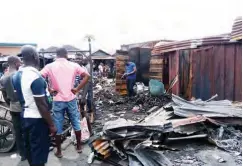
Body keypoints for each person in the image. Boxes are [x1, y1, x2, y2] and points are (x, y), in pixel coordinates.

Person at [41, 47, 90, 158]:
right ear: (66, 55)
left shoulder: (49, 66)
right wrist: (77, 89)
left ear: (56, 55)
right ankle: (79, 147)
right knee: (76, 122)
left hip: (58, 99)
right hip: (71, 98)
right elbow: (87, 76)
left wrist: (49, 89)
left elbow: (39, 77)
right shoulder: (74, 65)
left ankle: (59, 151)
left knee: (58, 125)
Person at [12, 45, 57, 166]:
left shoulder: (16, 75)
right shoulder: (34, 76)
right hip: (37, 119)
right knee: (39, 151)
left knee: (31, 151)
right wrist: (51, 125)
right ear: (34, 56)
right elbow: (41, 104)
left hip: (25, 116)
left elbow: (19, 96)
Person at [0, 56, 26, 161]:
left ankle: (22, 154)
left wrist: (10, 103)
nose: (21, 64)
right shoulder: (20, 75)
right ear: (16, 63)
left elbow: (5, 95)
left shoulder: (3, 78)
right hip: (24, 107)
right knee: (28, 129)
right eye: (20, 62)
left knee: (18, 131)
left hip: (13, 107)